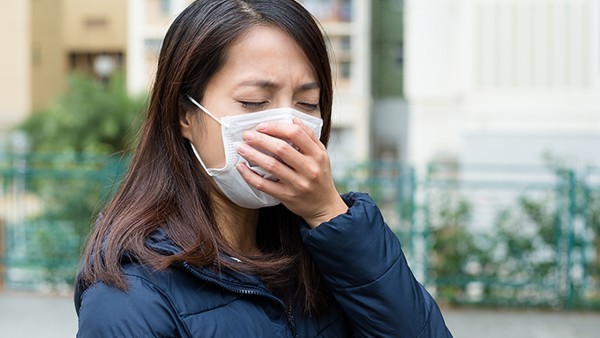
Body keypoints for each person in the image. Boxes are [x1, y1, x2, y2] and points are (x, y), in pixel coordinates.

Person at [74, 0, 453, 337]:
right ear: (185, 115)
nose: (288, 128)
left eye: (307, 104)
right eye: (255, 102)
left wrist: (329, 214)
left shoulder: (324, 254)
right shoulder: (128, 298)